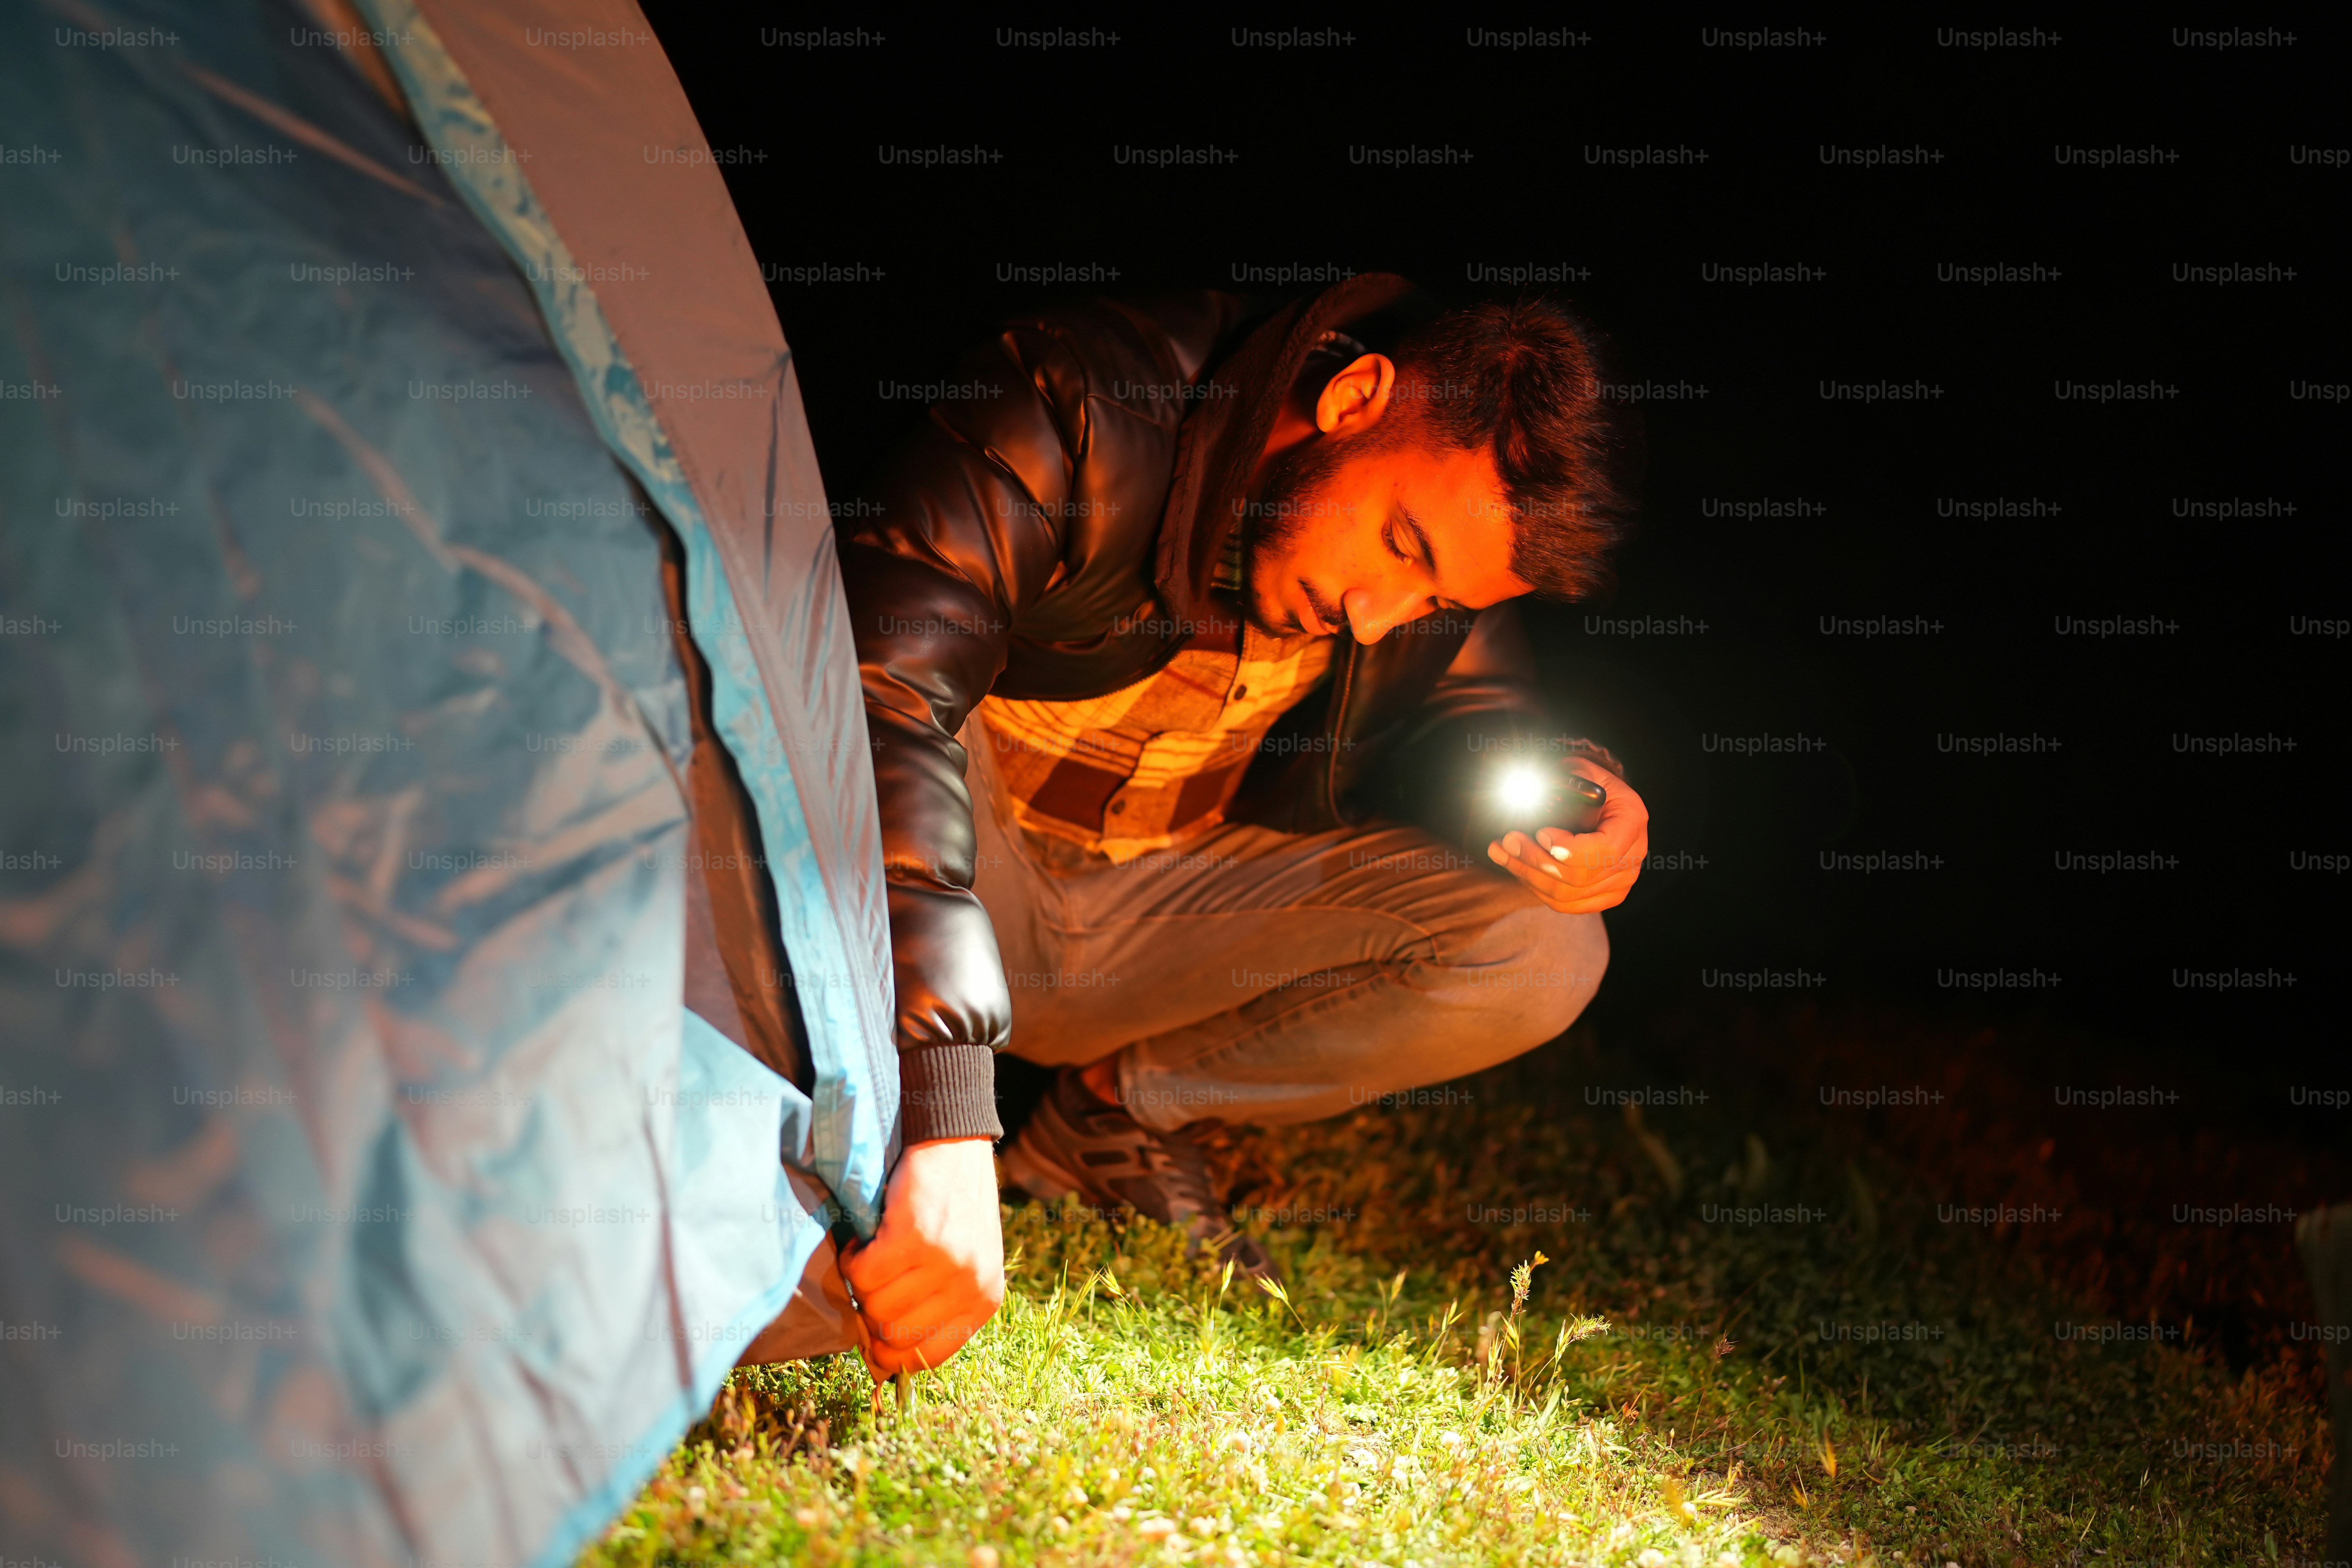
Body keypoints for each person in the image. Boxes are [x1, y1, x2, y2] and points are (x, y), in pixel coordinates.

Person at [831, 273, 1650, 1377]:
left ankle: (1115, 1117)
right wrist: (943, 1109)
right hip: (977, 881)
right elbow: (882, 699)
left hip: (1152, 913)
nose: (1379, 617)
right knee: (872, 704)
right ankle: (848, 1104)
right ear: (1357, 397)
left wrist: (1576, 787)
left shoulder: (1405, 599)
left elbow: (1475, 709)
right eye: (1403, 546)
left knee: (1541, 948)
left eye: (1437, 603)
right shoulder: (1081, 400)